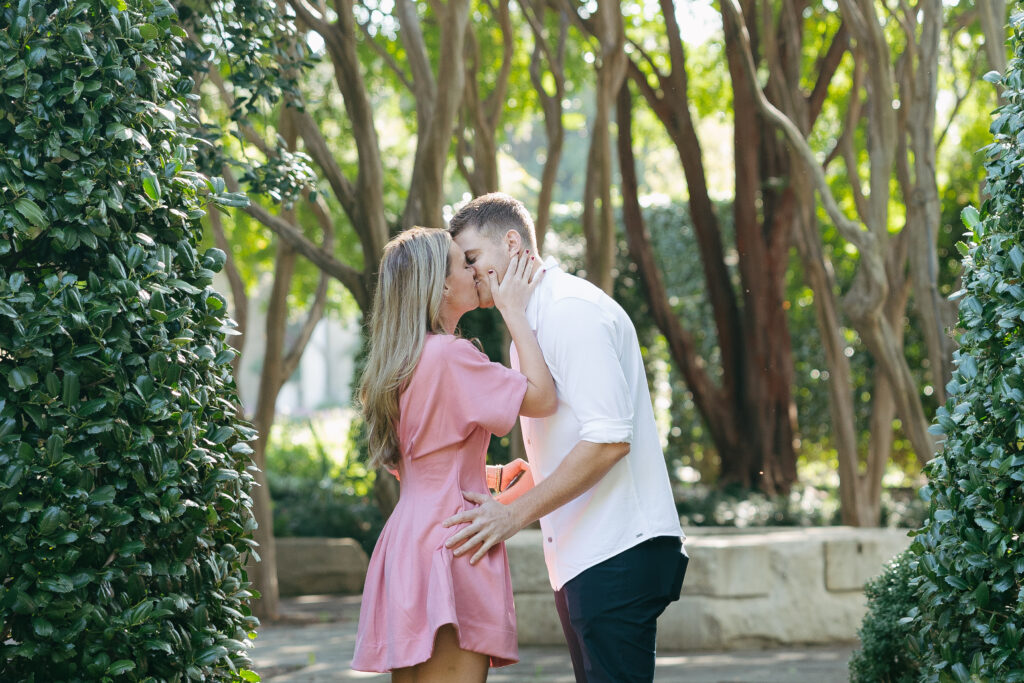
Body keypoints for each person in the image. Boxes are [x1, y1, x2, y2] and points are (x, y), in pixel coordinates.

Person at [443, 193, 688, 683]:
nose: (469, 273)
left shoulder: (571, 311)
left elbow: (609, 441)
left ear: (512, 243)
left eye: (473, 258)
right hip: (583, 556)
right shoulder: (528, 326)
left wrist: (513, 515)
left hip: (618, 550)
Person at [351, 227, 556, 682]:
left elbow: (422, 463)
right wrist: (514, 310)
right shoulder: (450, 356)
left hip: (408, 539)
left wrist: (481, 474)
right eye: (463, 263)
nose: (475, 270)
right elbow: (543, 398)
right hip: (453, 539)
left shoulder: (399, 361)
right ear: (441, 285)